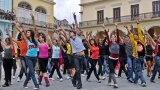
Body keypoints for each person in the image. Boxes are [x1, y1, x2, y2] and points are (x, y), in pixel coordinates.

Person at [61, 13, 85, 89]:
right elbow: (64, 33)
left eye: (71, 32)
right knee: (77, 70)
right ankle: (79, 84)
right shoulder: (70, 40)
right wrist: (61, 26)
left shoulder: (78, 36)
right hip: (76, 56)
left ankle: (74, 80)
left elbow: (77, 26)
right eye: (69, 33)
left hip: (82, 55)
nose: (70, 33)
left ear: (74, 33)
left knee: (79, 71)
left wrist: (75, 18)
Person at [125, 19, 146, 87]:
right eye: (134, 36)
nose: (135, 36)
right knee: (139, 70)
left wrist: (138, 24)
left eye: (136, 36)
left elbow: (139, 32)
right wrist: (128, 28)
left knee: (137, 70)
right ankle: (143, 81)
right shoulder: (133, 42)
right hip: (137, 58)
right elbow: (131, 35)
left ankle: (135, 80)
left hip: (142, 58)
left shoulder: (141, 40)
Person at [22, 13, 39, 89]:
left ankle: (25, 84)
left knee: (30, 72)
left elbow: (35, 28)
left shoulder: (35, 39)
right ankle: (36, 85)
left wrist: (33, 18)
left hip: (34, 57)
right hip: (28, 57)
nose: (27, 33)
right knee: (32, 71)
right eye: (27, 32)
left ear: (31, 33)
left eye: (28, 32)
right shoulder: (26, 40)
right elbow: (22, 32)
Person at [102, 23, 120, 88]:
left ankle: (109, 81)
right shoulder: (110, 43)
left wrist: (116, 26)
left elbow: (118, 34)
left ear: (115, 38)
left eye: (113, 37)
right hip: (111, 59)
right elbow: (107, 35)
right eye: (111, 37)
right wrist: (104, 28)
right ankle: (115, 83)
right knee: (112, 71)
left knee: (111, 70)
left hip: (116, 59)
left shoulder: (117, 42)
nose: (112, 38)